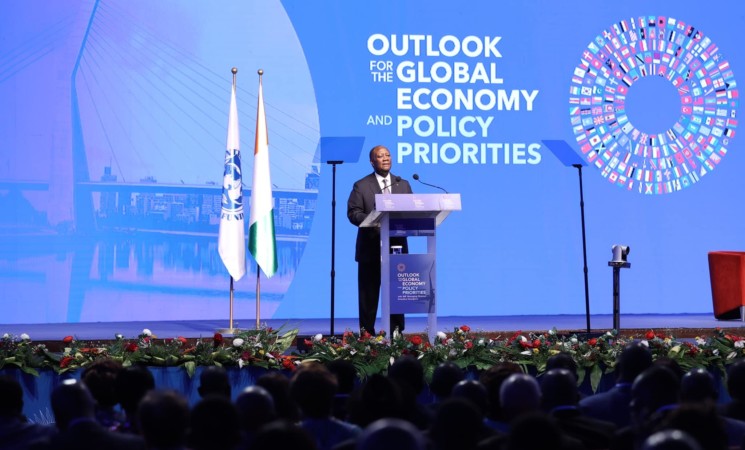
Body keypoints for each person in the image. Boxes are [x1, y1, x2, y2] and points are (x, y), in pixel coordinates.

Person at [347, 144, 412, 335]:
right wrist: (371, 220)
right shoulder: (362, 185)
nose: (385, 158)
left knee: (397, 293)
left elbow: (411, 211)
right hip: (371, 248)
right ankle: (367, 336)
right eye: (380, 156)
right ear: (372, 161)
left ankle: (396, 333)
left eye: (388, 155)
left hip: (397, 247)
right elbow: (353, 213)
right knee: (369, 295)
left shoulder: (403, 184)